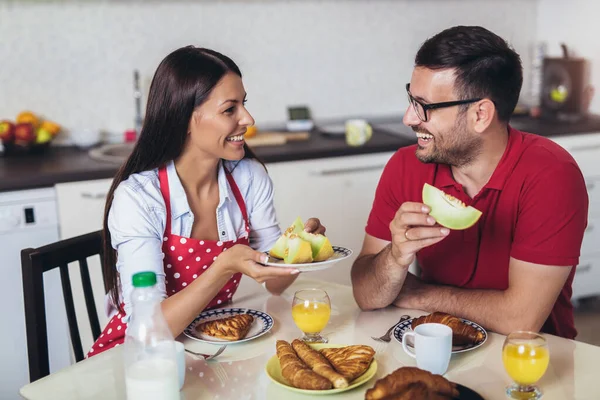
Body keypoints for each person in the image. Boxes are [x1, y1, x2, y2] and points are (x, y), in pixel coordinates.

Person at [351, 26, 588, 339]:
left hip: (530, 366)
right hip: (436, 346)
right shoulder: (405, 165)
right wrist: (395, 257)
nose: (408, 118)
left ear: (480, 115)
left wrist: (420, 294)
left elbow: (520, 320)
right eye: (411, 99)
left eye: (424, 106)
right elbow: (367, 296)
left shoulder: (551, 175)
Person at [89, 46, 326, 356]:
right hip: (138, 356)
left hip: (209, 343)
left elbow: (274, 284)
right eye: (230, 109)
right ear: (185, 118)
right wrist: (222, 269)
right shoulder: (139, 199)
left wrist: (298, 251)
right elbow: (148, 330)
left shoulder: (249, 178)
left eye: (244, 104)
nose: (248, 118)